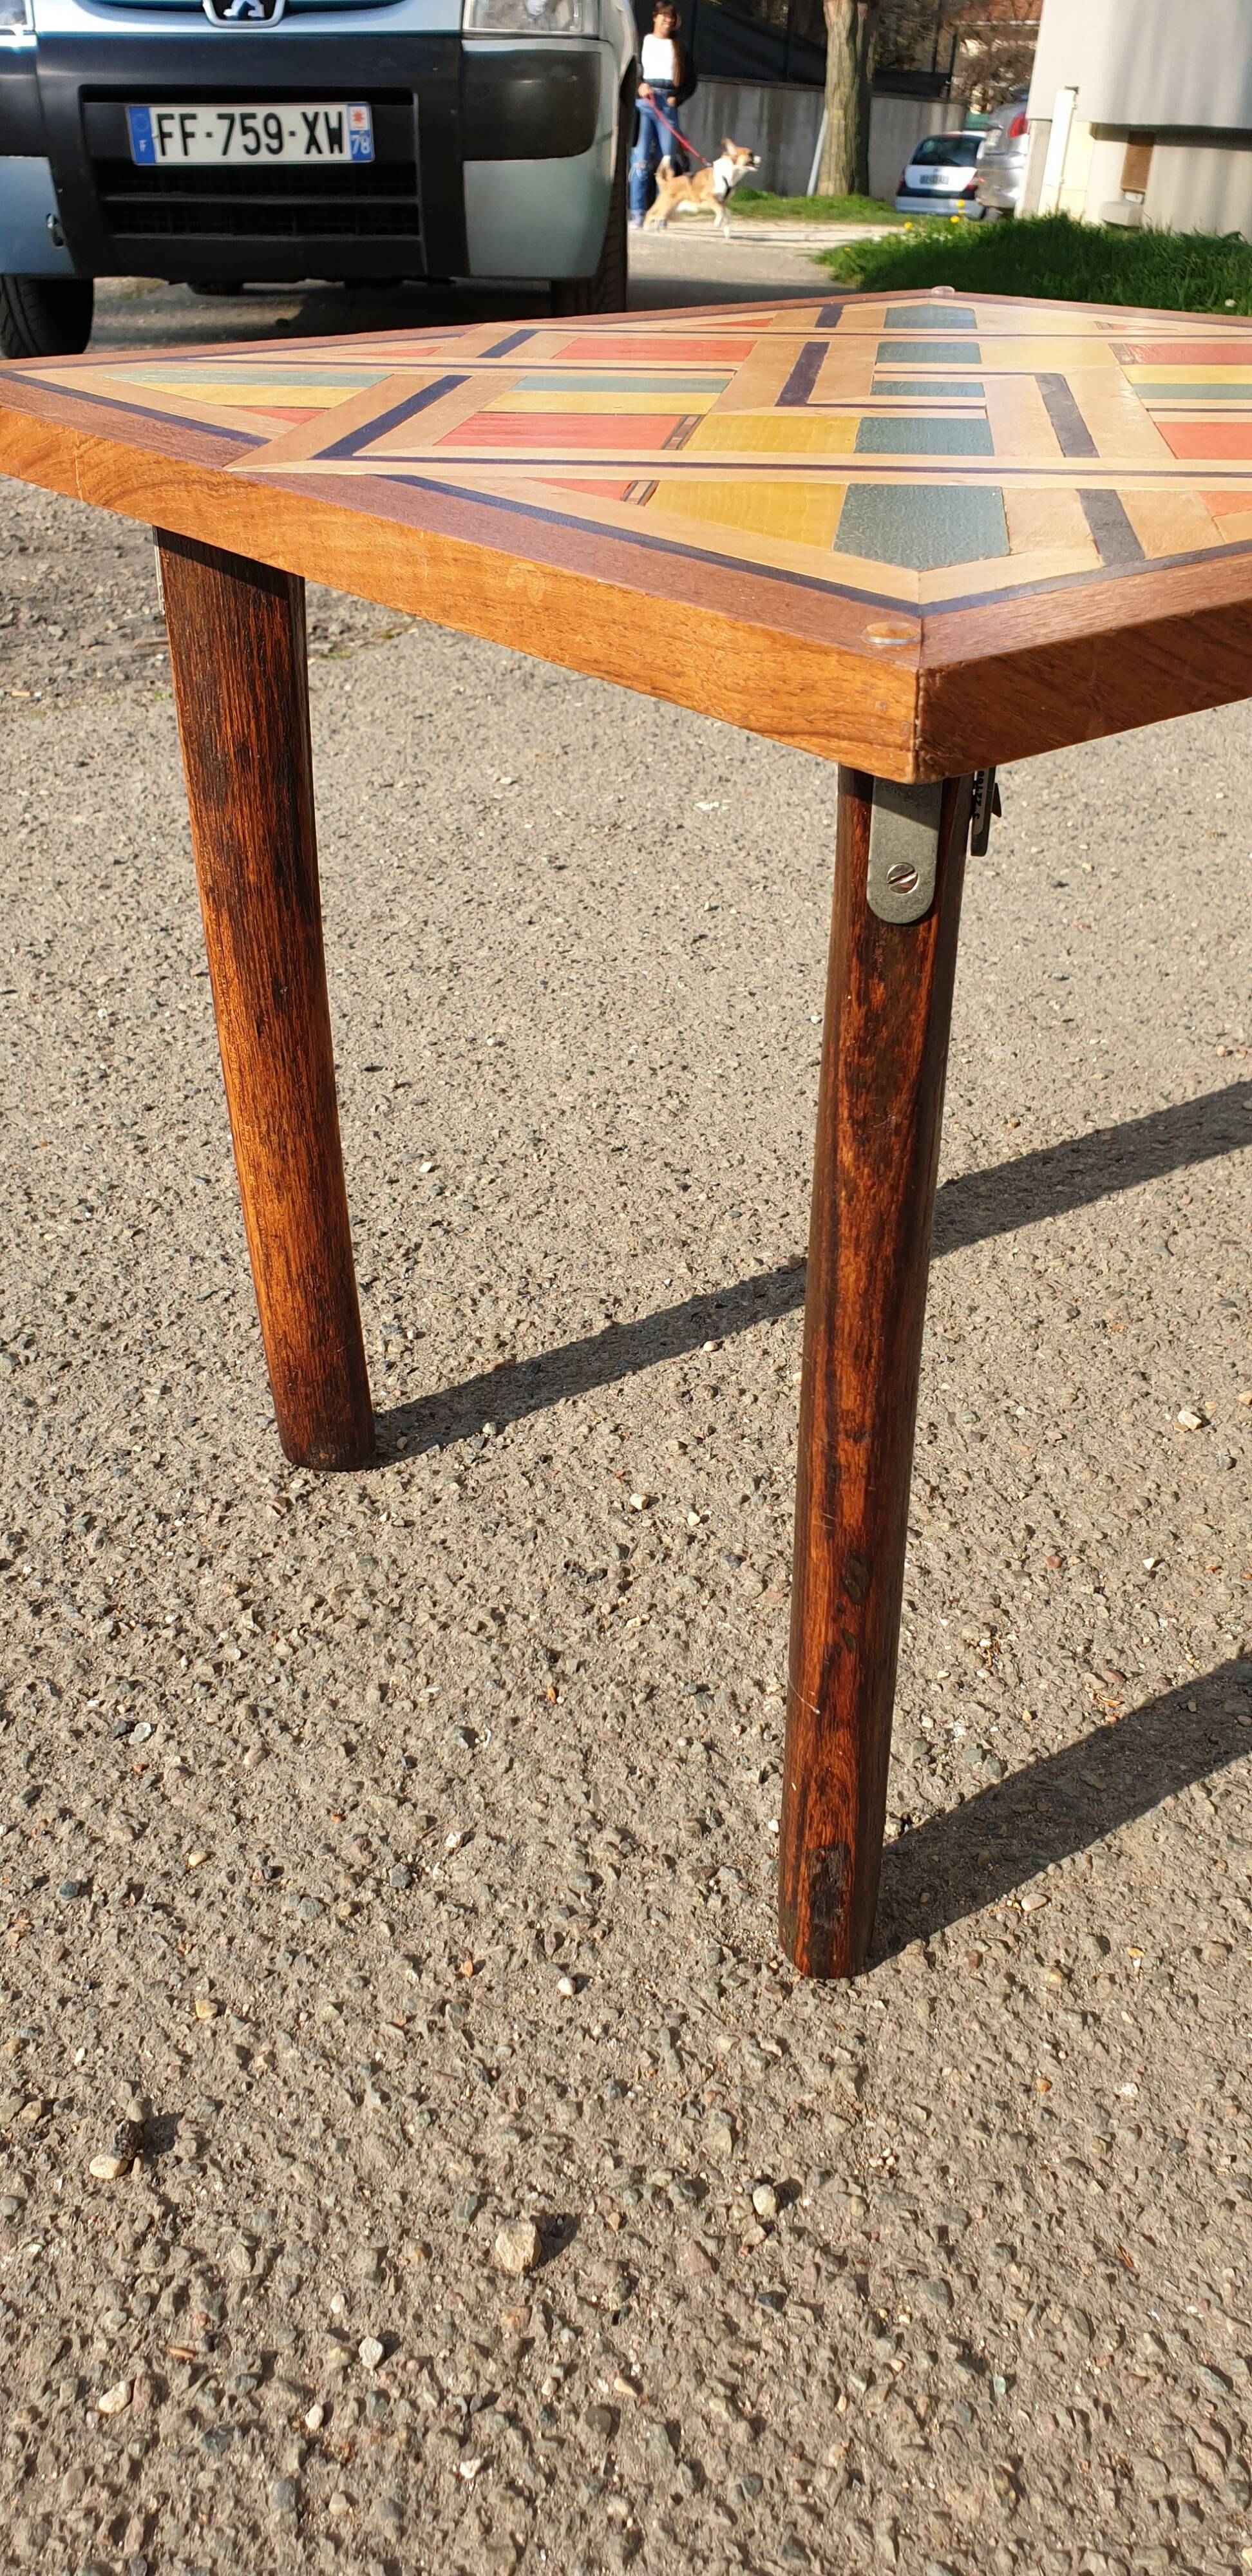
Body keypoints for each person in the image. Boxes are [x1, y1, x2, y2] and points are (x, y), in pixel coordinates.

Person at [629, 2, 697, 229]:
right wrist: (639, 85)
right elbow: (629, 68)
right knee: (640, 160)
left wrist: (678, 98)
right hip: (644, 103)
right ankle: (637, 212)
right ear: (655, 17)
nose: (668, 21)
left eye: (671, 17)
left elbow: (691, 80)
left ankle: (661, 215)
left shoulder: (679, 46)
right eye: (664, 16)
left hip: (668, 104)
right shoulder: (641, 41)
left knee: (666, 161)